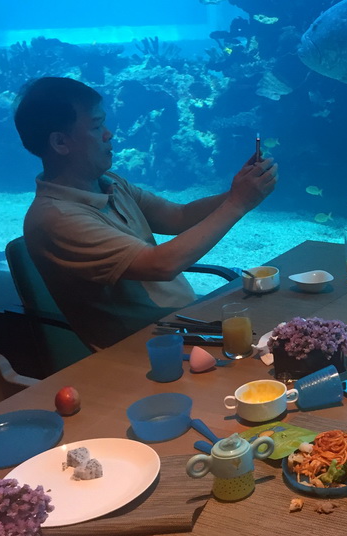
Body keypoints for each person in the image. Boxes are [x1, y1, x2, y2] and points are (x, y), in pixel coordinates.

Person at [14, 76, 278, 349]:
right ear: (59, 142)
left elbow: (179, 216)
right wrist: (237, 203)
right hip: (145, 351)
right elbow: (159, 265)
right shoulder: (57, 218)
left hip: (185, 326)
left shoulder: (109, 183)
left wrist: (242, 190)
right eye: (96, 126)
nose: (108, 133)